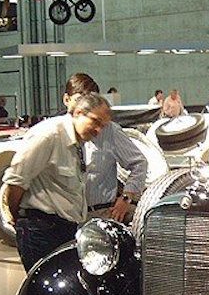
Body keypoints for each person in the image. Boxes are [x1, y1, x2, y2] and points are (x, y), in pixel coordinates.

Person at [3, 92, 112, 272]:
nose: (98, 130)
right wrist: (18, 220)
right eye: (96, 122)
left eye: (103, 126)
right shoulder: (49, 135)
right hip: (41, 231)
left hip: (65, 230)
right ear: (78, 113)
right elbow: (15, 181)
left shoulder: (78, 142)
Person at [61, 73, 147, 224]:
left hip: (100, 215)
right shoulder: (55, 132)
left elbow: (139, 163)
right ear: (66, 100)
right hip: (66, 218)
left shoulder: (109, 131)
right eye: (80, 100)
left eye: (90, 100)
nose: (85, 107)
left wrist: (126, 199)